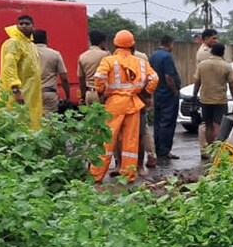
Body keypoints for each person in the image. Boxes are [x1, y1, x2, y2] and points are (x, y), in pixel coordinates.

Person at [90, 30, 158, 183]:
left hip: (114, 104)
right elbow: (154, 78)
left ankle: (96, 175)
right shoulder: (141, 62)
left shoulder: (108, 60)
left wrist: (102, 93)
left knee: (107, 140)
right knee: (131, 141)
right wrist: (145, 93)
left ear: (115, 44)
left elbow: (99, 77)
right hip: (133, 104)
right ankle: (128, 175)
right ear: (132, 45)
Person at [0, 14, 42, 130]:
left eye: (27, 24)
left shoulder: (31, 45)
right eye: (21, 24)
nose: (23, 26)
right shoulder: (14, 43)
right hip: (19, 93)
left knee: (29, 123)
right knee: (16, 123)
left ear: (33, 27)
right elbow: (9, 67)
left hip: (31, 92)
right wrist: (16, 89)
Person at [192, 42, 233, 151]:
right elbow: (232, 85)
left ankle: (210, 148)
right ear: (222, 52)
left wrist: (194, 97)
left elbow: (197, 82)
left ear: (212, 51)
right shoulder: (226, 66)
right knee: (218, 125)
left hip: (205, 99)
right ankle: (218, 149)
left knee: (208, 125)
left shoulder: (202, 64)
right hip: (220, 100)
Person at [149, 35, 182, 161]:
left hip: (157, 93)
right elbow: (169, 76)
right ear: (170, 43)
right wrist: (174, 90)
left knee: (158, 122)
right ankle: (164, 150)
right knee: (167, 123)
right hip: (167, 94)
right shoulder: (166, 56)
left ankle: (157, 148)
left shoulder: (154, 55)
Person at [33, 29, 72, 115]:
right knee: (50, 123)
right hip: (49, 93)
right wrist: (68, 97)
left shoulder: (26, 54)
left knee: (32, 121)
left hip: (31, 93)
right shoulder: (55, 54)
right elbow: (64, 78)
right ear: (46, 40)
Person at [77, 31, 108, 105]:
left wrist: (83, 96)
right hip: (101, 94)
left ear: (90, 41)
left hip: (89, 93)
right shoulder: (106, 55)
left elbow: (81, 79)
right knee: (104, 116)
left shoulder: (82, 56)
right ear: (102, 42)